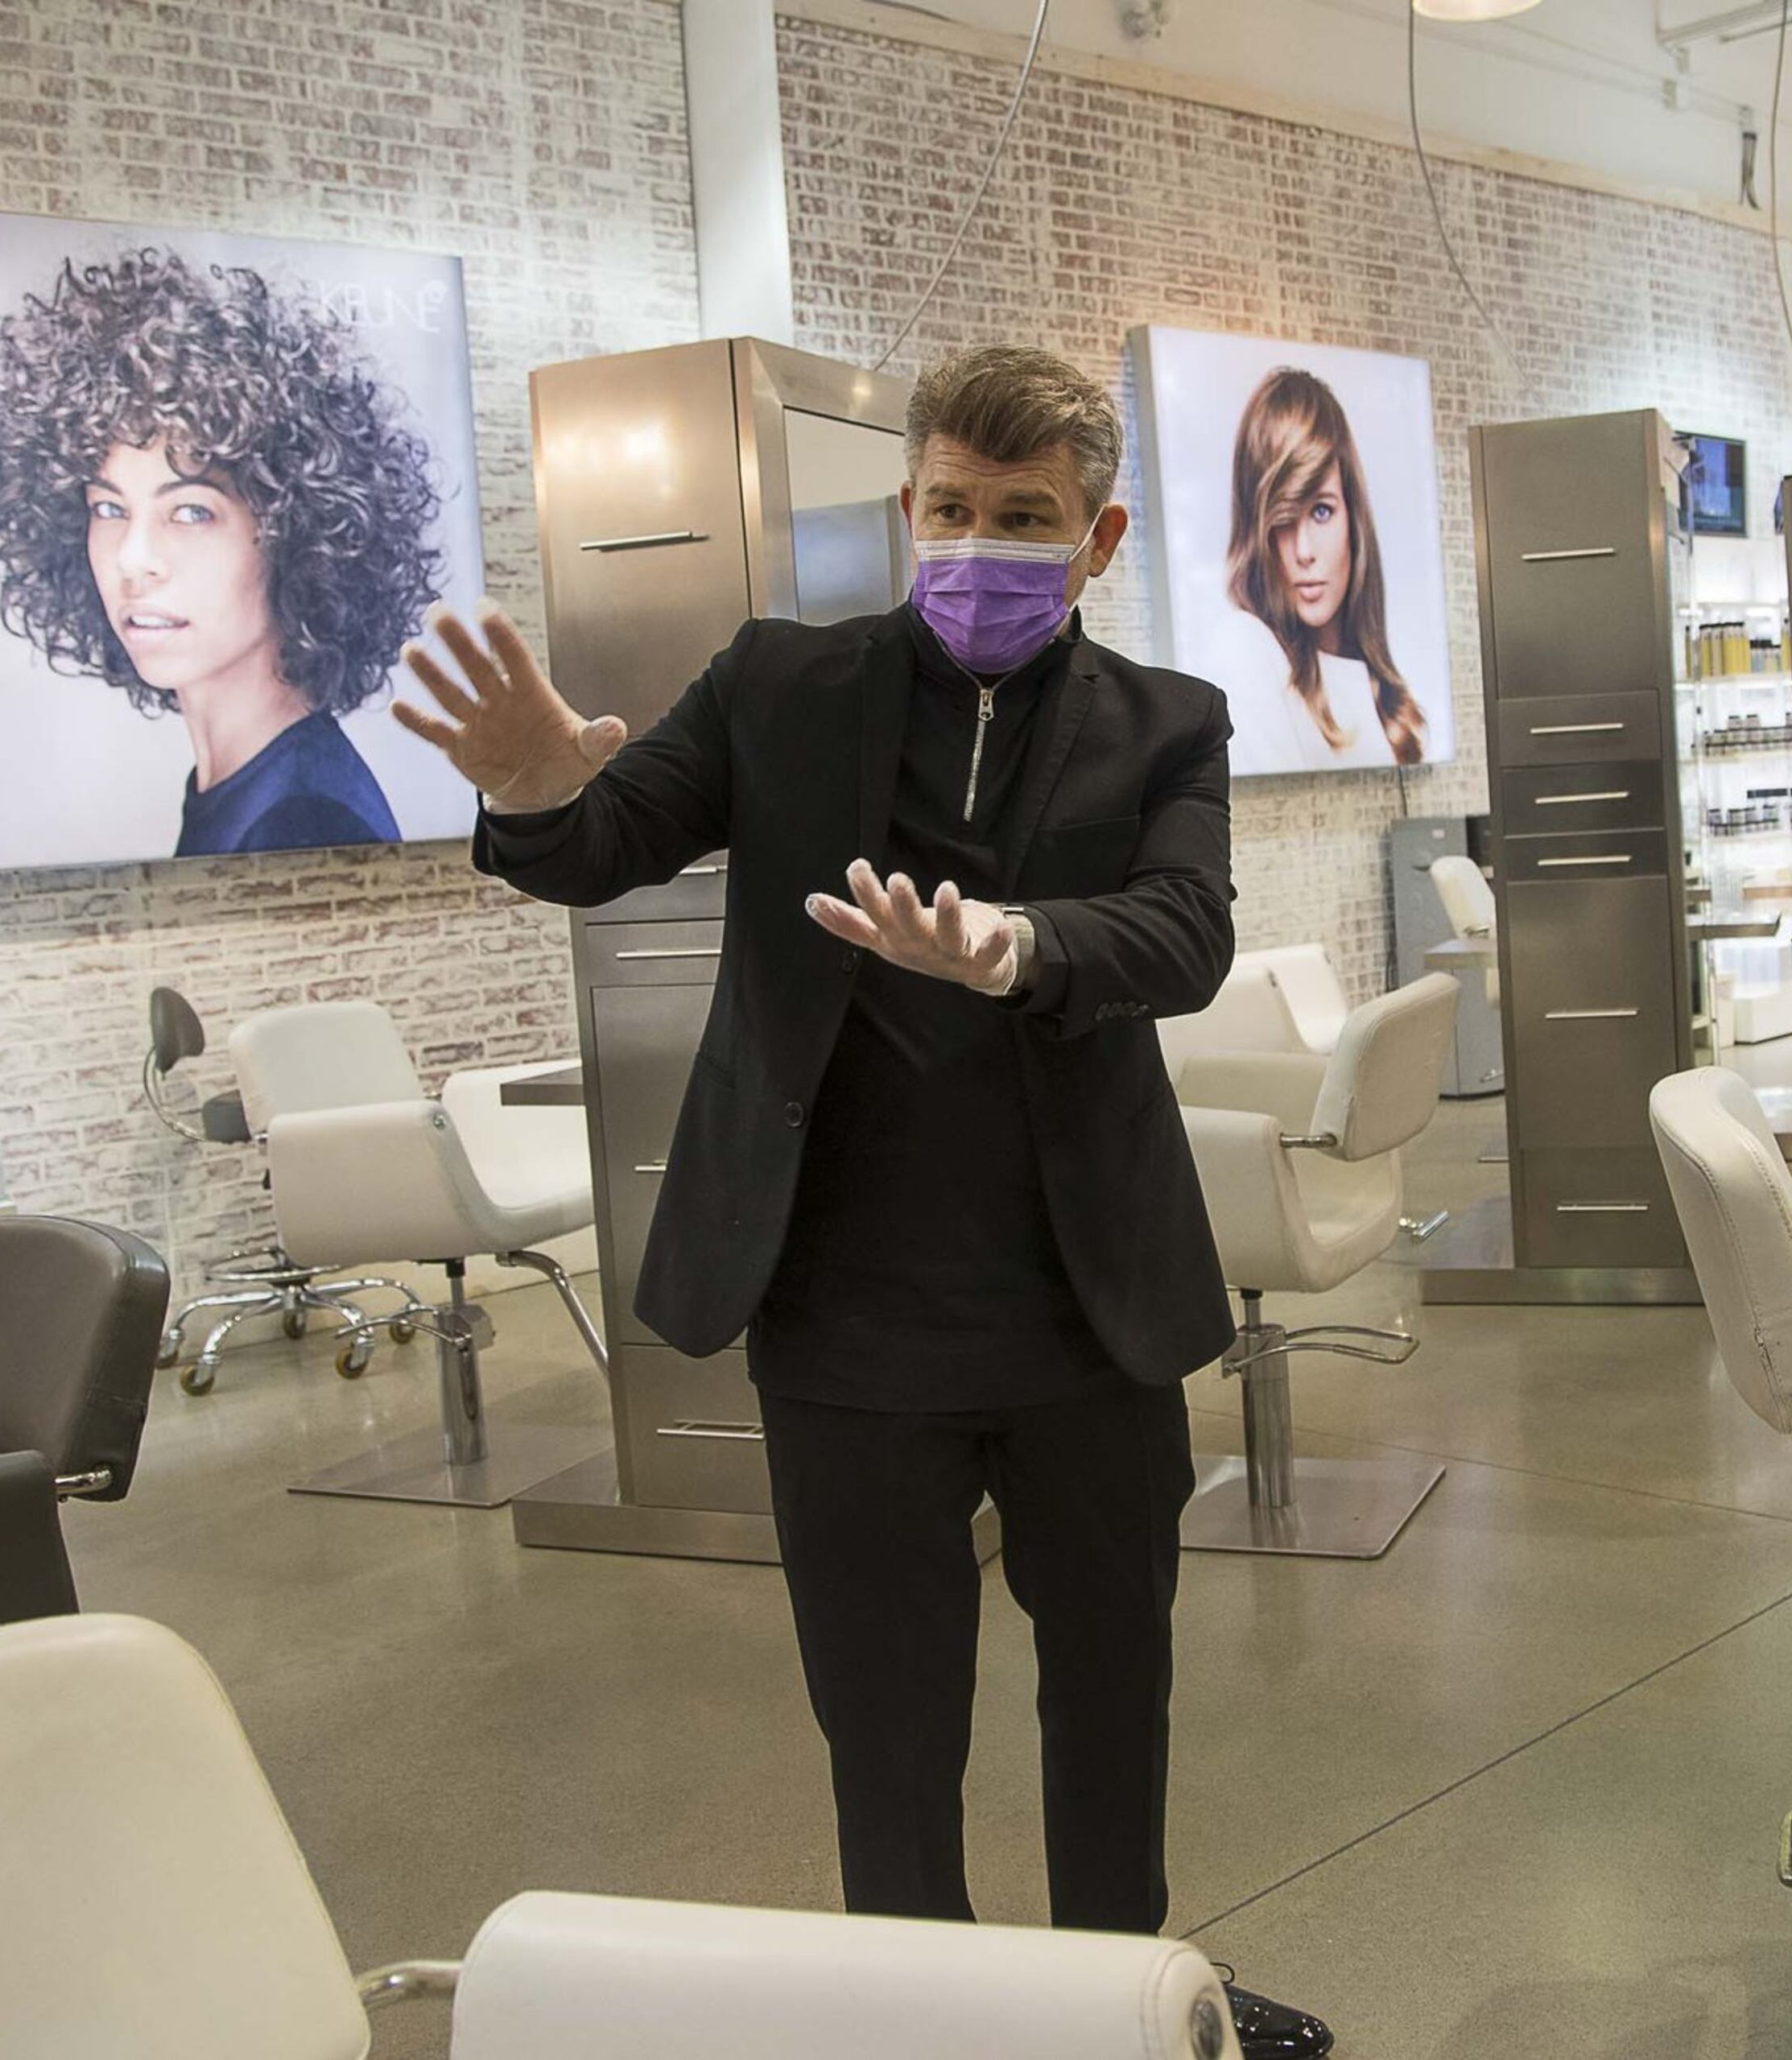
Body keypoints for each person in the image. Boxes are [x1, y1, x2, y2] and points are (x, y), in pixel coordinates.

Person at [395, 346, 1332, 2059]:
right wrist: (532, 793)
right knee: (885, 1730)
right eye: (954, 510)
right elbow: (610, 841)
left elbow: (1186, 933)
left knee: (1111, 1704)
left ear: (1099, 534)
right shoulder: (779, 684)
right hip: (842, 1315)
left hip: (1086, 1309)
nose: (980, 546)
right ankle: (925, 2021)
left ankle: (1110, 2010)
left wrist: (1025, 942)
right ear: (911, 506)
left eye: (1025, 519)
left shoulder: (1167, 722)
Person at [0, 247, 435, 855]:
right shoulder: (235, 780)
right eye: (109, 508)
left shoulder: (303, 815)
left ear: (299, 539)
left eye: (191, 512)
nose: (134, 558)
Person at [1214, 365, 1431, 770]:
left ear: (1353, 515)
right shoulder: (1247, 648)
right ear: (1257, 531)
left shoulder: (1387, 698)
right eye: (1282, 521)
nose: (1304, 551)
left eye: (1321, 511)